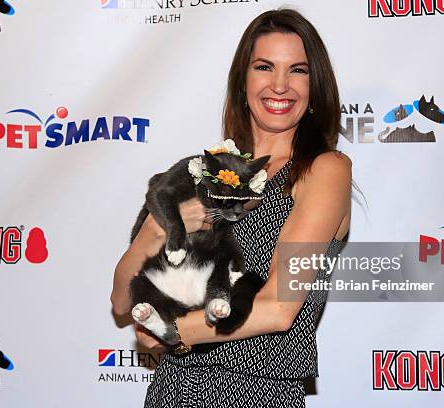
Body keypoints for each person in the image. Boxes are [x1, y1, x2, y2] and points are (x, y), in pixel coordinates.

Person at [111, 8, 351, 408]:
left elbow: (279, 307)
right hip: (173, 388)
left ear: (315, 89)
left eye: (297, 70)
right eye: (264, 67)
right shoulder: (206, 172)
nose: (279, 85)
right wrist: (160, 225)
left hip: (256, 392)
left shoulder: (323, 169)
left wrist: (170, 329)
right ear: (243, 81)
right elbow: (121, 300)